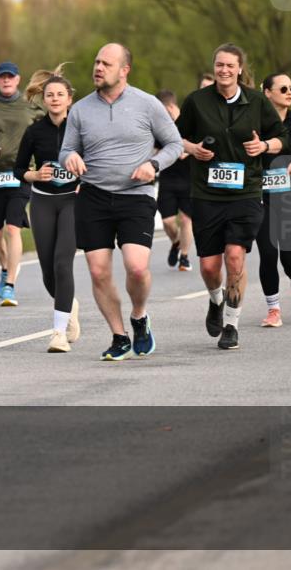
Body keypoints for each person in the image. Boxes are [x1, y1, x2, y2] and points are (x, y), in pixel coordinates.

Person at [59, 43, 183, 361]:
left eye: (106, 63)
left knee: (137, 268)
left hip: (136, 196)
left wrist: (153, 165)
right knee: (99, 273)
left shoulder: (148, 104)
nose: (98, 68)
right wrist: (71, 156)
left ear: (124, 70)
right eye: (96, 61)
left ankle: (139, 316)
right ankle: (119, 335)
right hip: (93, 197)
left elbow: (174, 143)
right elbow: (65, 150)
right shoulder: (81, 110)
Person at [177, 44, 287, 350]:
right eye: (219, 65)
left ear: (240, 69)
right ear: (214, 68)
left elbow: (283, 136)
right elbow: (175, 136)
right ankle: (216, 299)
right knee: (210, 267)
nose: (224, 70)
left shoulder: (256, 102)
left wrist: (264, 146)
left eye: (230, 66)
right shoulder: (197, 101)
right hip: (207, 194)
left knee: (235, 257)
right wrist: (193, 149)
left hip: (246, 191)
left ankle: (231, 323)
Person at [14, 71, 81, 352]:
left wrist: (85, 184)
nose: (54, 99)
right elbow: (18, 170)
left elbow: (97, 162)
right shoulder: (34, 131)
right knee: (48, 272)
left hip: (72, 201)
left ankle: (58, 333)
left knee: (63, 263)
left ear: (69, 99)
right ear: (43, 99)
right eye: (50, 95)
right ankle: (70, 305)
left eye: (60, 95)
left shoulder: (80, 129)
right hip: (42, 201)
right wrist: (33, 175)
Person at [0, 61, 43, 306]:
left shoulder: (31, 107)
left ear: (18, 80)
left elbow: (49, 129)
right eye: (2, 76)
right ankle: (5, 268)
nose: (6, 80)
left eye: (11, 77)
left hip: (20, 175)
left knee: (12, 229)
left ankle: (10, 285)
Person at [255, 72, 291, 327]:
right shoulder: (255, 124)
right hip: (261, 198)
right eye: (283, 88)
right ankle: (273, 310)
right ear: (267, 92)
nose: (290, 92)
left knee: (290, 260)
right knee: (267, 254)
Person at [155, 90, 194, 271]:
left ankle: (184, 257)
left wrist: (181, 148)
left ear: (170, 107)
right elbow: (154, 150)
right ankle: (176, 242)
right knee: (168, 222)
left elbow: (186, 152)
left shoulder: (189, 122)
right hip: (168, 179)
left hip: (188, 179)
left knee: (186, 220)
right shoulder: (159, 126)